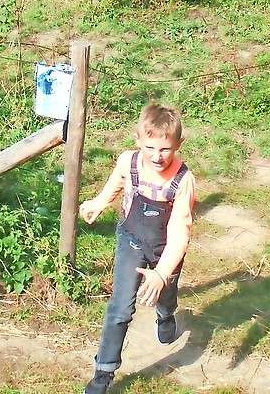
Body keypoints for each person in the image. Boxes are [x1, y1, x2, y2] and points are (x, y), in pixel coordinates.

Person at [79, 103, 197, 394]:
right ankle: (103, 373)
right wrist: (99, 203)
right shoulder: (128, 162)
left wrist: (160, 274)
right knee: (120, 307)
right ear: (137, 141)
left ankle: (166, 314)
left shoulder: (183, 181)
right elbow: (117, 183)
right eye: (150, 148)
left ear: (179, 144)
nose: (157, 157)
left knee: (165, 292)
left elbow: (180, 235)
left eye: (165, 150)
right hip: (131, 239)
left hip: (165, 250)